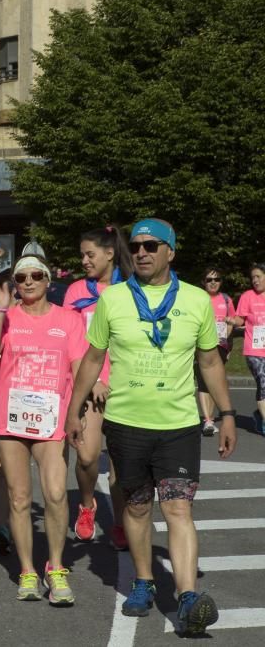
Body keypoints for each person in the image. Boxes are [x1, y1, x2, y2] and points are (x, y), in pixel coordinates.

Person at [65, 218, 237, 636]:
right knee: (137, 507)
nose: (142, 252)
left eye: (152, 246)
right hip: (126, 424)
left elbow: (210, 361)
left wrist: (228, 414)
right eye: (137, 246)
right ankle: (143, 580)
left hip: (178, 423)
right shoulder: (115, 299)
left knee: (178, 508)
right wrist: (74, 410)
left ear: (170, 253)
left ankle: (187, 594)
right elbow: (92, 357)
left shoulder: (196, 300)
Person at [0, 256, 86, 605]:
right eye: (21, 277)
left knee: (57, 493)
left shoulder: (69, 320)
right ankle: (27, 570)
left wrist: (77, 413)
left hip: (51, 419)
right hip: (10, 419)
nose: (28, 282)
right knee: (19, 497)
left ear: (48, 279)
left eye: (35, 276)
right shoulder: (6, 317)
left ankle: (56, 567)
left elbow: (79, 367)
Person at [64, 226, 132, 549]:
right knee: (89, 458)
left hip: (125, 389)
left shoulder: (131, 289)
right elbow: (72, 343)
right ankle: (87, 504)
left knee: (120, 465)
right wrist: (93, 383)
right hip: (89, 387)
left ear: (109, 254)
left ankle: (120, 522)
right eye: (82, 255)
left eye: (90, 254)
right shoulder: (76, 291)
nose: (84, 261)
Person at [197, 268, 237, 435]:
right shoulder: (198, 298)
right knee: (202, 381)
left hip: (220, 346)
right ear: (203, 282)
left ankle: (209, 419)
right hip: (199, 345)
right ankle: (207, 420)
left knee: (213, 381)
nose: (213, 282)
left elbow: (232, 323)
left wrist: (229, 325)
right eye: (209, 280)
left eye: (217, 279)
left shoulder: (226, 300)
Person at [235, 263, 265, 435]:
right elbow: (240, 319)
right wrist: (232, 321)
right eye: (252, 277)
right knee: (262, 381)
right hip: (253, 349)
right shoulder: (248, 296)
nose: (255, 280)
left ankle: (258, 415)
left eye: (258, 276)